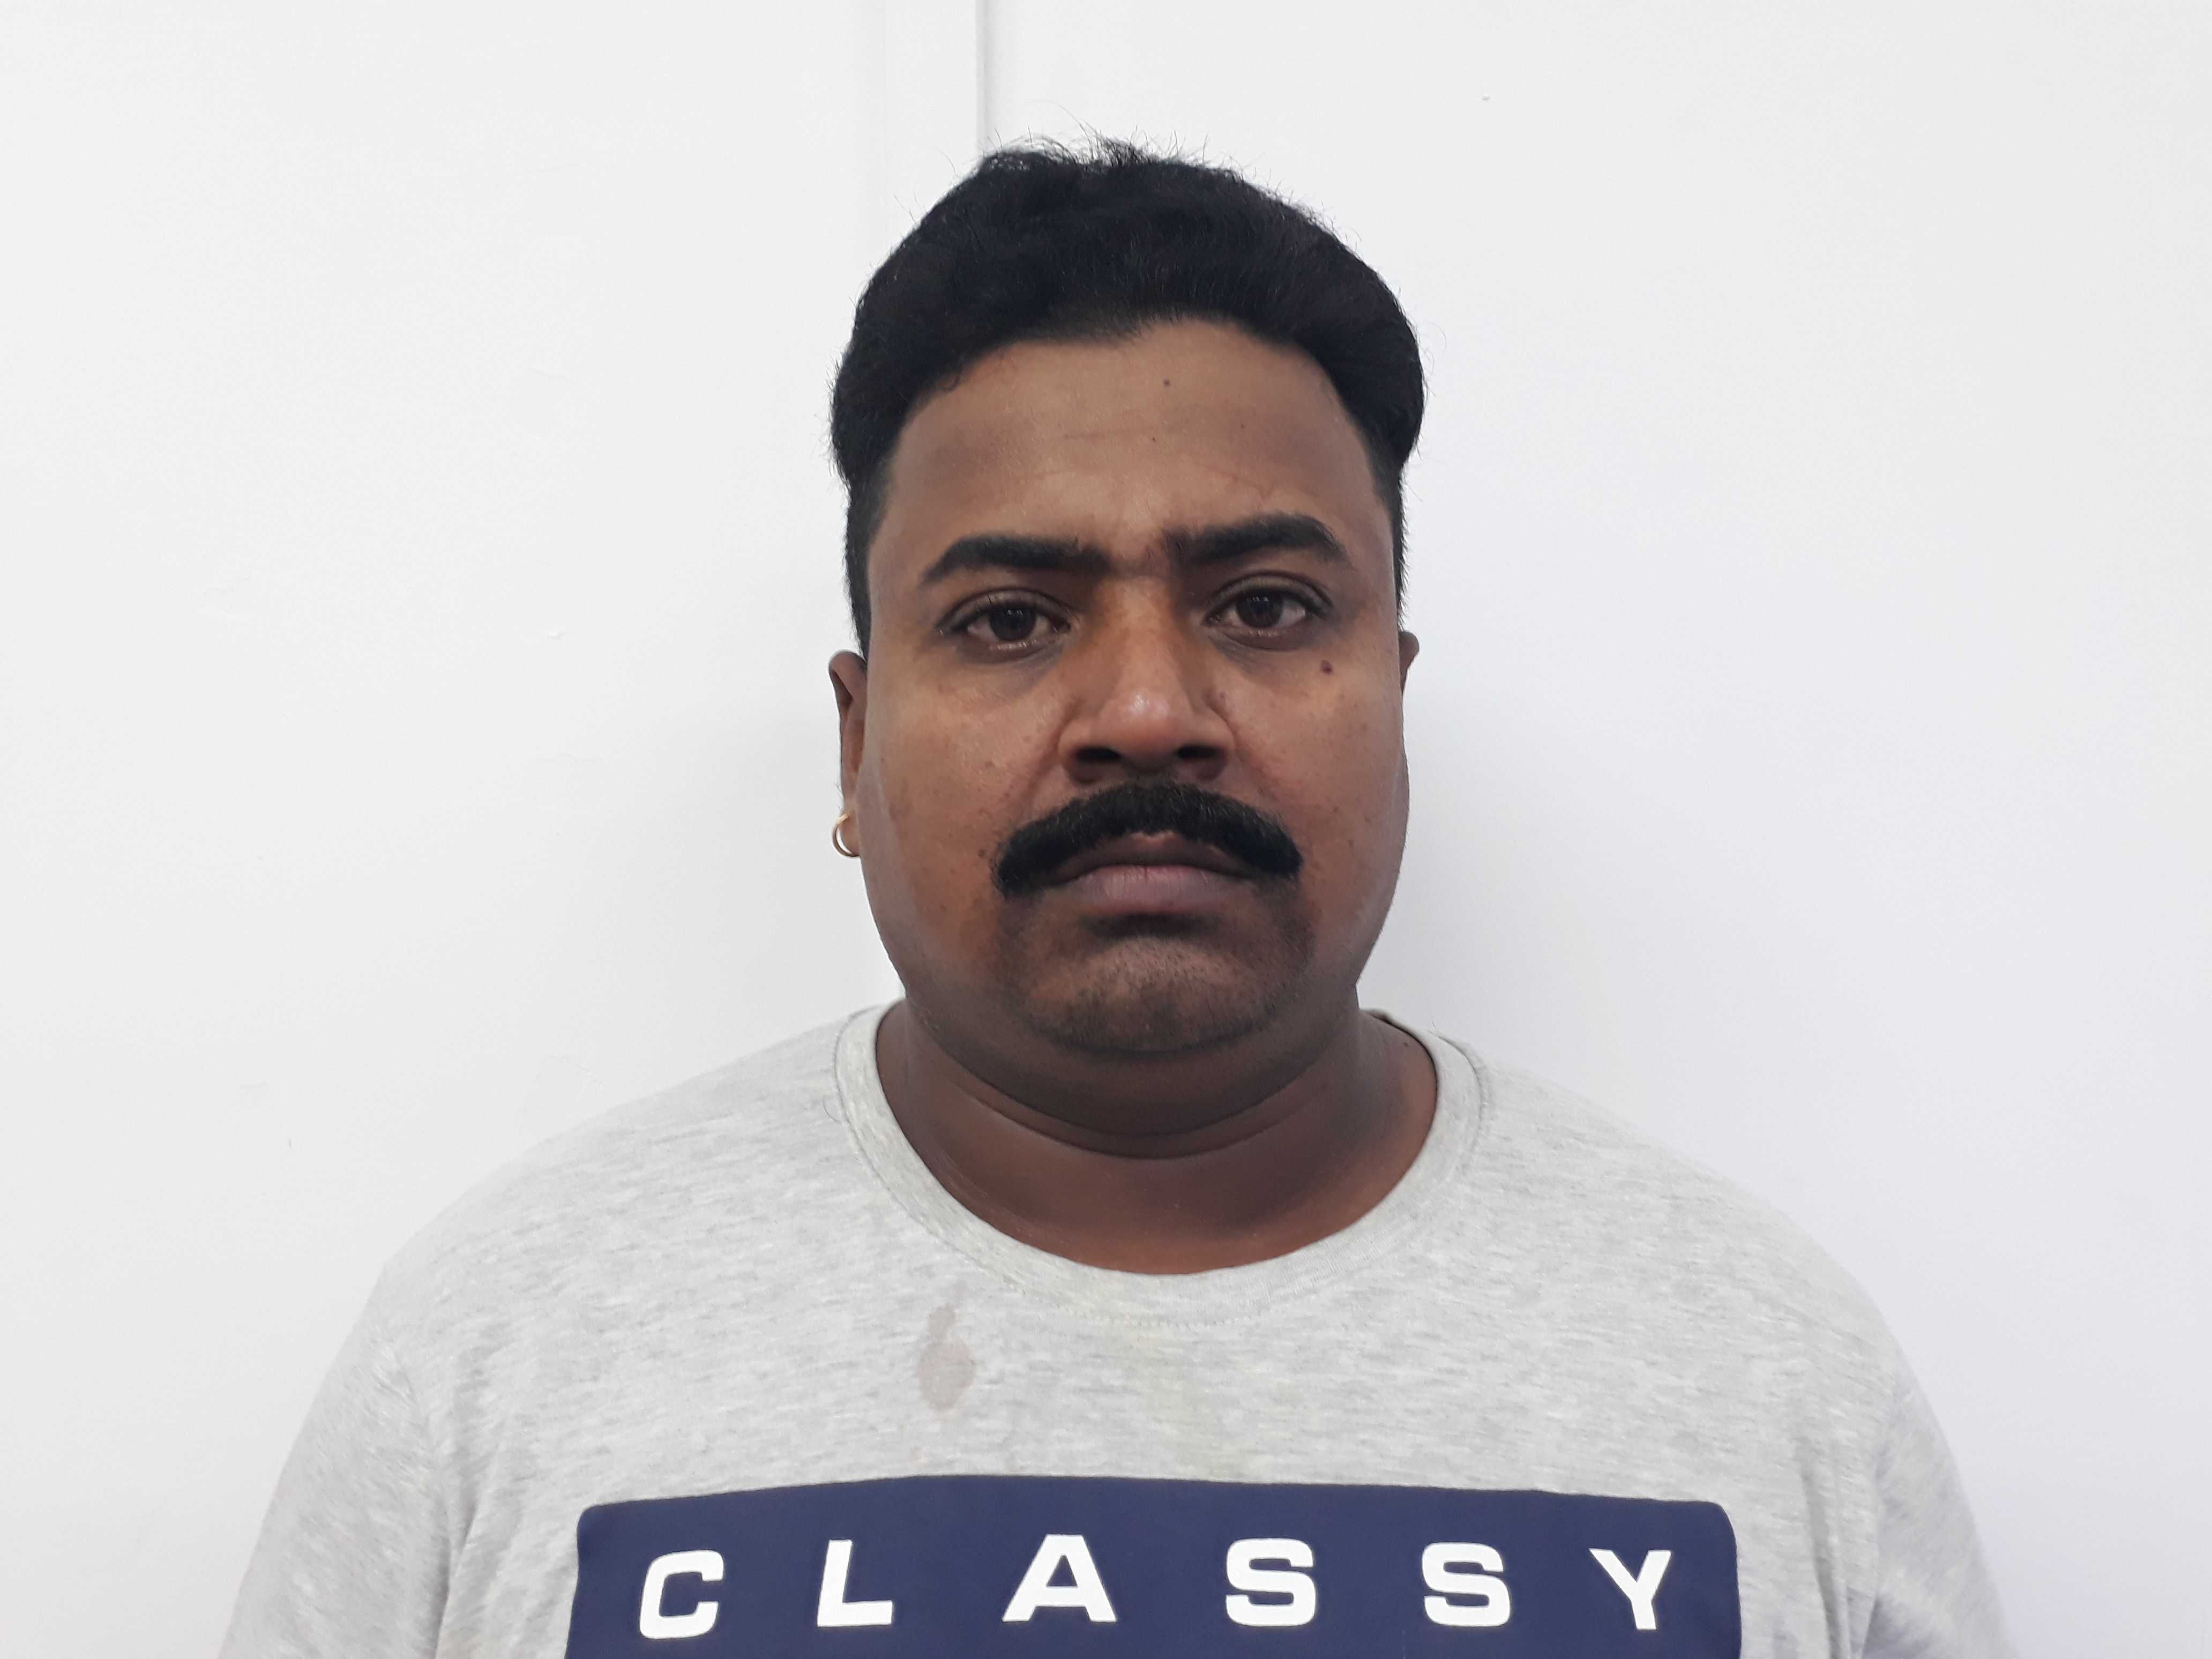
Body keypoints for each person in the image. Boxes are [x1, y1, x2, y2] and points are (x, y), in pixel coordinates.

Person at [221, 141, 2011, 1658]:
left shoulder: (1761, 1373)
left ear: (1393, 700)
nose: (1149, 710)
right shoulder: (503, 1353)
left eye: (1265, 608)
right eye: (1010, 620)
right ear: (855, 745)